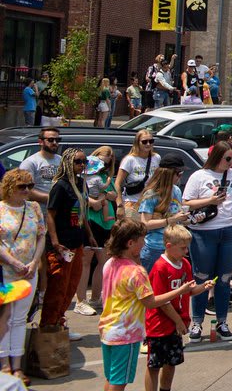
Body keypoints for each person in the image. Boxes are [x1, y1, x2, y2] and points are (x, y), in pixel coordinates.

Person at [98, 219, 195, 391]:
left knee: (111, 377)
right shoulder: (136, 272)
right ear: (130, 243)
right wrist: (180, 291)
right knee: (119, 381)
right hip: (125, 334)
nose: (145, 243)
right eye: (142, 239)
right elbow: (151, 302)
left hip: (108, 329)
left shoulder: (110, 263)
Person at [181, 142, 232, 341]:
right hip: (204, 231)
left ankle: (222, 321)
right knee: (202, 278)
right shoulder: (199, 176)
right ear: (216, 157)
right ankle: (197, 322)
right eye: (228, 158)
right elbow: (186, 203)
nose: (231, 162)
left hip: (230, 230)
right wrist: (209, 201)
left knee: (224, 278)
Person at [144, 226, 210, 391]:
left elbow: (189, 290)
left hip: (175, 324)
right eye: (182, 248)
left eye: (187, 247)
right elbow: (162, 302)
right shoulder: (160, 267)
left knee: (171, 363)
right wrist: (179, 321)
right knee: (154, 365)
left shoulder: (185, 264)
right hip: (159, 325)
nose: (186, 251)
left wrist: (203, 287)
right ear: (168, 246)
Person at [42, 148, 95, 335]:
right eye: (78, 162)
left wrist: (89, 234)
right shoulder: (60, 186)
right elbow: (50, 214)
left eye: (84, 162)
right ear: (68, 162)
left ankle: (60, 321)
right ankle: (49, 326)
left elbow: (83, 213)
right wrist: (55, 242)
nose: (81, 165)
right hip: (61, 244)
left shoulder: (82, 184)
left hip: (77, 241)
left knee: (70, 286)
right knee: (58, 287)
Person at [0, 169, 43, 383]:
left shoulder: (34, 208)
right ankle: (4, 365)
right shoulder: (0, 209)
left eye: (30, 186)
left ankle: (17, 366)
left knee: (19, 319)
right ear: (9, 187)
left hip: (29, 271)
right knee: (4, 319)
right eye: (21, 187)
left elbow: (40, 237)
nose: (26, 191)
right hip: (6, 272)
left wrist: (34, 262)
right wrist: (14, 262)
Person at [78, 147, 118, 315]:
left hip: (105, 223)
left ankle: (96, 298)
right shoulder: (83, 176)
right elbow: (79, 195)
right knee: (86, 260)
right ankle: (80, 301)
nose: (107, 158)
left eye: (110, 155)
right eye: (104, 154)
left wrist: (104, 196)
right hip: (89, 220)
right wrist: (96, 199)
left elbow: (114, 195)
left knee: (104, 261)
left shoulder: (105, 177)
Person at [138, 155, 190, 271]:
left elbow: (177, 217)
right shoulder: (151, 194)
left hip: (175, 245)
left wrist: (187, 220)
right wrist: (170, 220)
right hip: (155, 248)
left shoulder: (176, 190)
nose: (180, 177)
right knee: (151, 286)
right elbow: (145, 224)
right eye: (179, 174)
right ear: (169, 173)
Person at [115, 131, 160, 220]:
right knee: (133, 232)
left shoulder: (156, 158)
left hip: (151, 204)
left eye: (151, 141)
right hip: (132, 203)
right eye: (144, 142)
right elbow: (117, 183)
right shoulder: (130, 160)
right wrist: (120, 205)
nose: (148, 144)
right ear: (137, 143)